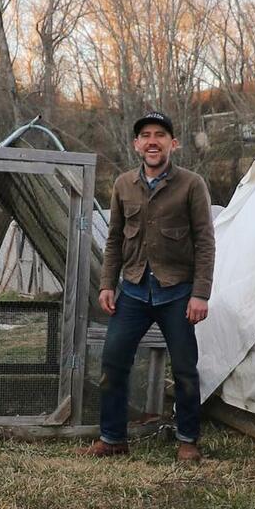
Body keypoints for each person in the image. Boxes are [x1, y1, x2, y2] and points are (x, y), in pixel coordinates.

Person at [83, 110, 216, 463]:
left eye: (160, 135)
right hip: (135, 290)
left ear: (173, 143)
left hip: (177, 292)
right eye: (145, 135)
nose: (152, 140)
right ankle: (113, 437)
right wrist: (107, 284)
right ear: (136, 145)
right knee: (113, 362)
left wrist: (200, 293)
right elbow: (113, 239)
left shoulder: (191, 184)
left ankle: (188, 438)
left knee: (186, 367)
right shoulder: (123, 184)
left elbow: (205, 241)